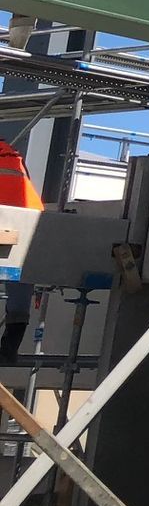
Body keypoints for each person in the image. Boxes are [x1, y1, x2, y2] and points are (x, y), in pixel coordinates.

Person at [0, 139, 45, 366]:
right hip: (32, 225)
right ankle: (9, 349)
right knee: (20, 291)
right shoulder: (12, 154)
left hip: (7, 221)